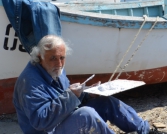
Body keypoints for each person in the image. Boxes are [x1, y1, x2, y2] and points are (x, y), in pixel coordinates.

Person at [13, 35, 152, 134]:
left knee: (106, 102)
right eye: (53, 58)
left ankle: (143, 130)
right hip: (48, 130)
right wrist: (71, 96)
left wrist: (87, 93)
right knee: (86, 115)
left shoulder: (55, 70)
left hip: (63, 120)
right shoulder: (29, 82)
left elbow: (65, 98)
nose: (59, 64)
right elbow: (40, 121)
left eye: (62, 58)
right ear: (39, 57)